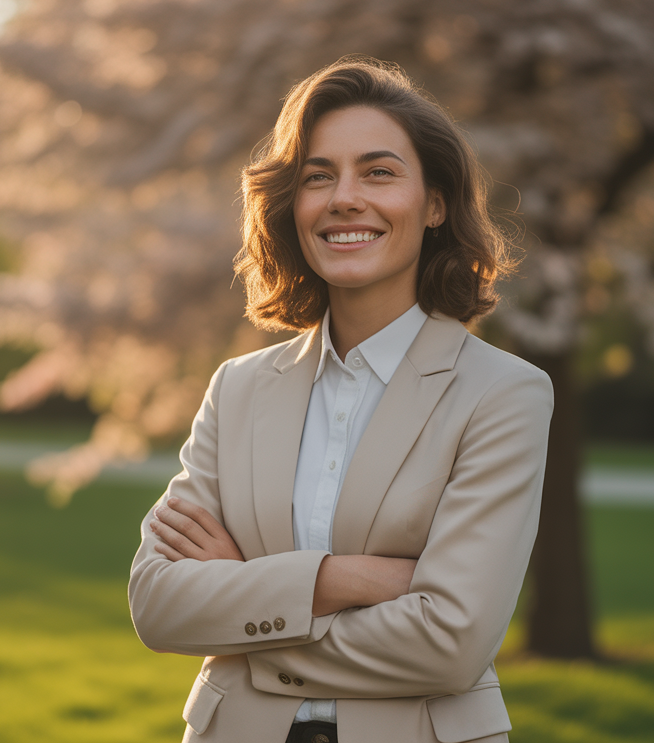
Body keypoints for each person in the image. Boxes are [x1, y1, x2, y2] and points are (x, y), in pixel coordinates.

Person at [128, 57, 554, 743]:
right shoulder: (238, 389)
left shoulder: (504, 395)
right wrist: (346, 579)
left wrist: (247, 599)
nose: (343, 198)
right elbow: (158, 604)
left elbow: (451, 641)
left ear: (436, 203)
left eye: (378, 172)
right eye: (317, 176)